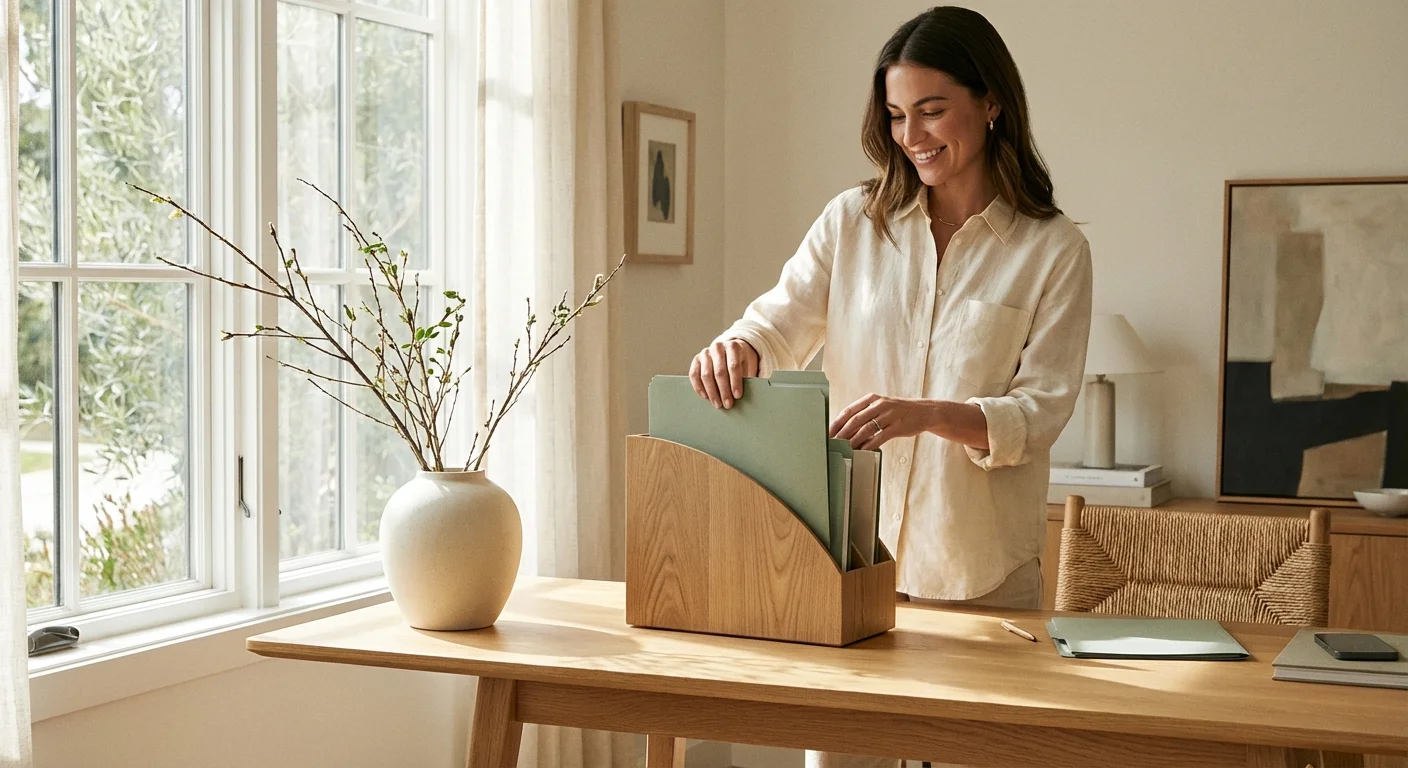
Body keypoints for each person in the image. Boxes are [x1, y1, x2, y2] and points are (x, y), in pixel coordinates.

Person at [688, 7, 1093, 767]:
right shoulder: (854, 222)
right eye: (898, 115)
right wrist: (738, 345)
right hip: (851, 562)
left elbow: (1038, 415)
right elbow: (779, 322)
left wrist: (930, 414)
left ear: (992, 103)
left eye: (933, 110)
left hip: (981, 577)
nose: (914, 135)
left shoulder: (1053, 249)